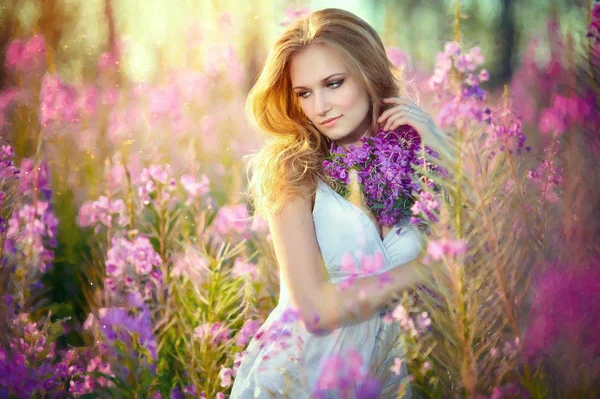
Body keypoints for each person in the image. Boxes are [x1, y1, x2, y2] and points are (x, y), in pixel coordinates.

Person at [231, 8, 449, 399]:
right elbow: (314, 311)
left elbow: (487, 251)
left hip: (400, 380)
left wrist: (443, 153)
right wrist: (428, 271)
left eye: (333, 83)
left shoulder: (419, 158)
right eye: (305, 93)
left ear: (368, 74)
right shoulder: (292, 170)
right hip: (303, 381)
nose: (319, 107)